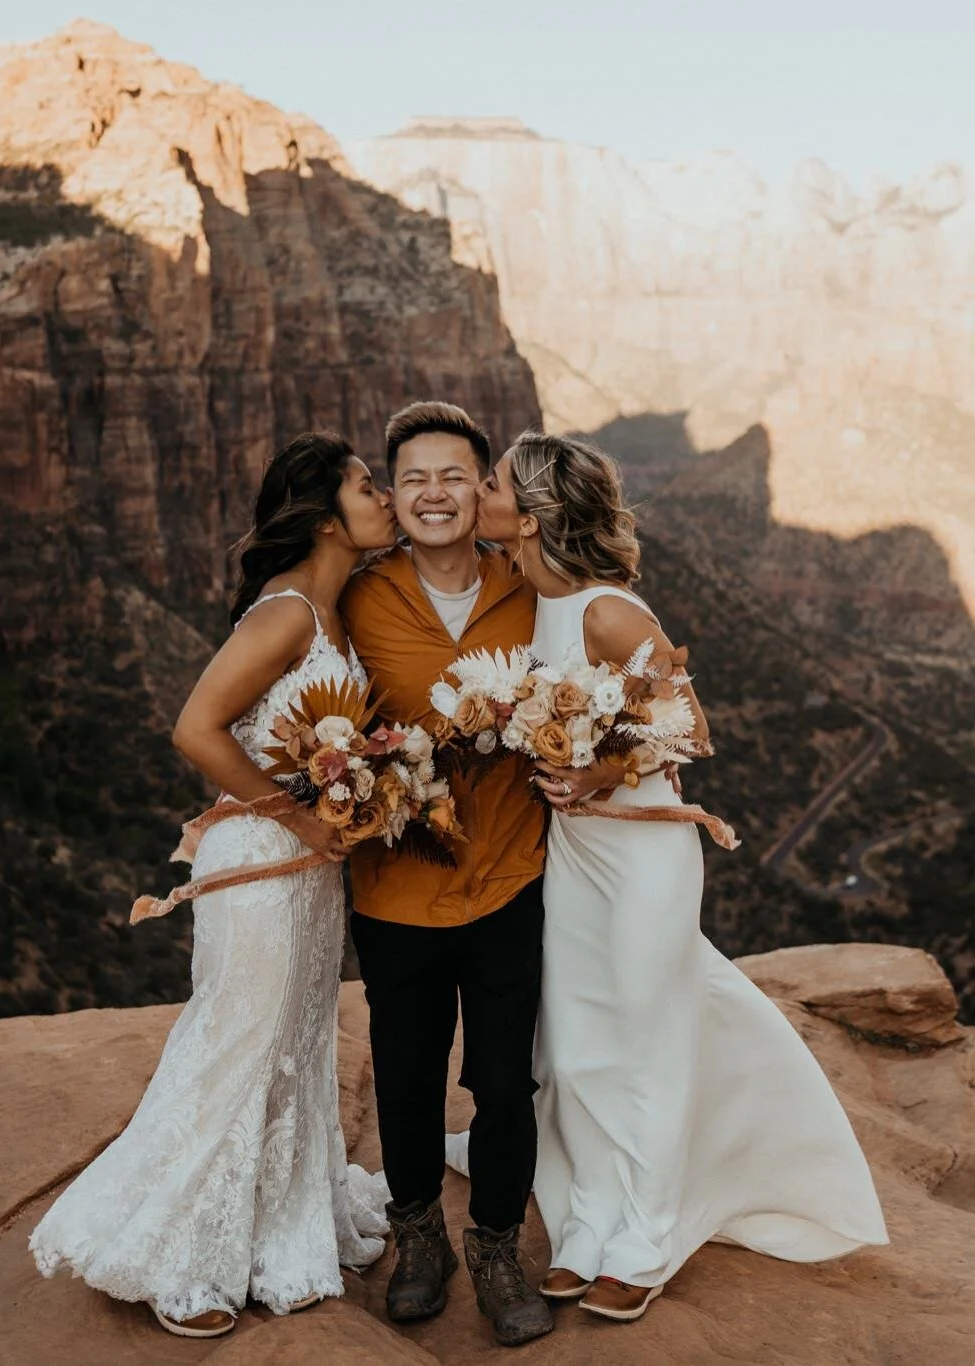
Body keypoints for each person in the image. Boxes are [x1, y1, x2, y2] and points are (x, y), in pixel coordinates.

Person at [464, 430, 889, 1322]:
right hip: (574, 852)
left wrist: (598, 771)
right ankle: (588, 1220)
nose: (478, 489)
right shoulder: (520, 598)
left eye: (493, 481)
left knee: (650, 1039)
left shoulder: (606, 612)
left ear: (533, 515)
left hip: (645, 849)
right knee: (577, 1041)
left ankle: (648, 1236)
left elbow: (691, 728)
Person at [29, 433, 398, 1339]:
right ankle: (179, 1255)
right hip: (263, 871)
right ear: (323, 515)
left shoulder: (336, 609)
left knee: (297, 1041)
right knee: (240, 1041)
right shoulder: (284, 616)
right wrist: (302, 813)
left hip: (308, 876)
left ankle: (277, 1231)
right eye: (367, 486)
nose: (384, 497)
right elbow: (194, 728)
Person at [340, 402, 556, 1347]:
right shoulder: (358, 596)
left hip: (510, 875)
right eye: (415, 478)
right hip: (398, 887)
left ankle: (498, 1247)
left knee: (507, 1083)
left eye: (455, 476)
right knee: (407, 1071)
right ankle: (418, 1236)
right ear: (394, 495)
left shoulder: (535, 586)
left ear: (484, 490)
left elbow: (615, 679)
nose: (435, 494)